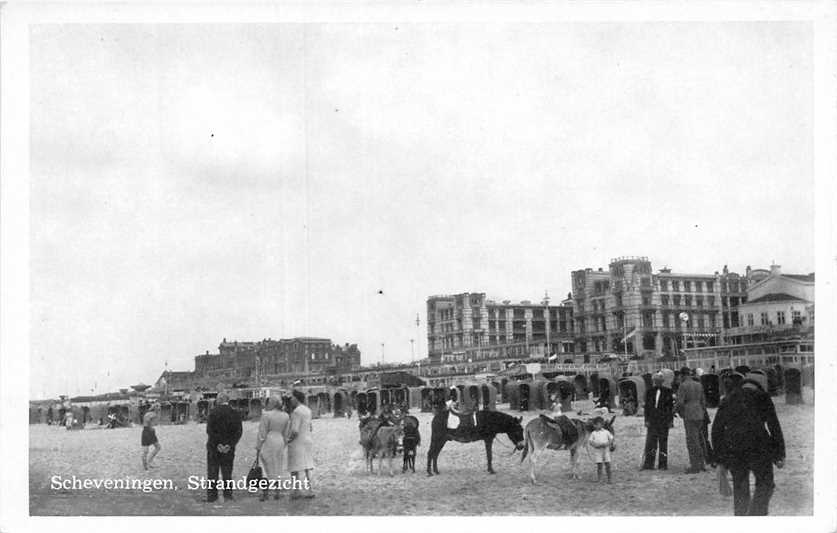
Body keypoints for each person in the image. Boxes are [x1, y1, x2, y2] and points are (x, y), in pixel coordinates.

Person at [712, 377, 785, 515]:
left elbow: (717, 429)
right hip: (759, 448)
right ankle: (756, 514)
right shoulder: (762, 397)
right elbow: (774, 426)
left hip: (734, 449)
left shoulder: (728, 399)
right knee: (766, 483)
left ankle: (741, 517)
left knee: (740, 486)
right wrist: (779, 453)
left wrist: (720, 457)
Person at [205, 392, 243, 503]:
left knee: (213, 471)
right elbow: (238, 432)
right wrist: (229, 444)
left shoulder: (213, 412)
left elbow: (210, 430)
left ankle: (212, 496)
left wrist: (218, 444)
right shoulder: (235, 413)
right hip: (229, 448)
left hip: (214, 447)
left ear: (219, 400)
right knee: (227, 471)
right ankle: (228, 494)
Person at [255, 395, 290, 501]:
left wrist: (258, 446)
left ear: (272, 403)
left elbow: (262, 433)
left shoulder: (266, 415)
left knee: (265, 466)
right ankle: (277, 492)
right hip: (279, 440)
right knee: (277, 466)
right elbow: (286, 433)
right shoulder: (286, 416)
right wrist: (284, 443)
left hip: (268, 440)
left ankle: (265, 493)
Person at [675, 368, 707, 473]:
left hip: (689, 413)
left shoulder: (683, 386)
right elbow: (703, 401)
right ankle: (702, 464)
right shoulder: (699, 385)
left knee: (692, 441)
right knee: (700, 439)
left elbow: (680, 402)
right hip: (699, 413)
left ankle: (695, 466)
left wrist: (679, 412)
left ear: (682, 375)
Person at [641, 372, 674, 470]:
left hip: (664, 420)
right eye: (656, 381)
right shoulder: (649, 391)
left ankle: (663, 464)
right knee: (651, 442)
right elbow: (647, 408)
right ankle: (649, 464)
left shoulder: (668, 391)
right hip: (652, 420)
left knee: (663, 443)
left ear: (662, 381)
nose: (657, 382)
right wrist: (646, 420)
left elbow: (670, 408)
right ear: (653, 381)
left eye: (659, 380)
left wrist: (670, 421)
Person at [287, 390, 314, 499]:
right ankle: (309, 489)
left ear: (296, 398)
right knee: (307, 465)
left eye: (292, 398)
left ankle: (296, 490)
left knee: (294, 466)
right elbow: (310, 427)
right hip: (307, 440)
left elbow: (294, 431)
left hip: (297, 442)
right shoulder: (308, 410)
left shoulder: (296, 412)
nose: (291, 400)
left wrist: (288, 440)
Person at [589, 416, 615, 483]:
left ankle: (610, 479)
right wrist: (596, 445)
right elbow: (590, 442)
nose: (598, 426)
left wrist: (608, 443)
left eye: (600, 424)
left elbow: (611, 439)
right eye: (596, 424)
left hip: (606, 451)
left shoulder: (606, 432)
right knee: (599, 465)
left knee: (608, 465)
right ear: (594, 425)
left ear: (602, 424)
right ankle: (599, 479)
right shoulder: (593, 433)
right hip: (598, 451)